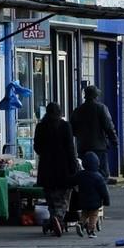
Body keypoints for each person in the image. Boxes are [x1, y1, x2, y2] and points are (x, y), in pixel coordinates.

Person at [33, 102, 79, 237]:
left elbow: (37, 148)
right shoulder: (65, 126)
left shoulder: (41, 127)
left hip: (46, 169)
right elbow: (71, 149)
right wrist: (74, 167)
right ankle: (58, 219)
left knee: (51, 199)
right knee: (63, 198)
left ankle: (53, 218)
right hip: (63, 169)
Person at [70, 84, 118, 179]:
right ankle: (99, 191)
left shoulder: (78, 111)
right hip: (99, 147)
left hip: (83, 147)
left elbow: (72, 130)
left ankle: (87, 191)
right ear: (96, 96)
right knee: (102, 174)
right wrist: (114, 140)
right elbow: (109, 126)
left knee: (85, 173)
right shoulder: (101, 108)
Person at [74, 151, 110, 239]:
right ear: (97, 164)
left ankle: (80, 223)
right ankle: (91, 231)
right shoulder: (98, 177)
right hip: (95, 202)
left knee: (84, 214)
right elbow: (104, 191)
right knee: (93, 216)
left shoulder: (80, 175)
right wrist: (106, 201)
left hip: (83, 201)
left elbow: (72, 180)